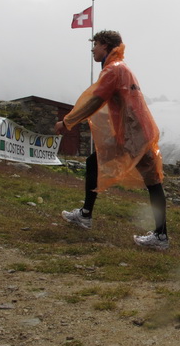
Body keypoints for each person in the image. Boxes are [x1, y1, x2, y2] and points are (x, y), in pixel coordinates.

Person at [54, 30, 169, 250]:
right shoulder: (123, 69)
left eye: (95, 44)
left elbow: (95, 100)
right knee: (150, 182)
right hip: (139, 132)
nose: (93, 49)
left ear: (105, 45)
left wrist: (67, 122)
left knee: (149, 182)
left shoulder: (113, 70)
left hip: (131, 135)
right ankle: (160, 236)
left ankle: (87, 215)